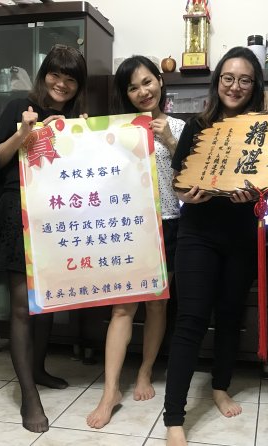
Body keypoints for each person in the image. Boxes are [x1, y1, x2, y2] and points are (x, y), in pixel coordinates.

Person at [0, 44, 88, 433]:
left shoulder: (74, 119)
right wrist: (24, 133)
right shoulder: (19, 108)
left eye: (70, 78)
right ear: (44, 75)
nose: (62, 83)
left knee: (47, 301)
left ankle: (38, 369)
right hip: (17, 213)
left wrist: (85, 137)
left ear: (78, 85)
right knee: (23, 306)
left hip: (55, 216)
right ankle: (28, 396)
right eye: (56, 74)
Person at [163, 46, 265, 446]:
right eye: (228, 78)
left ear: (254, 86)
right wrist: (186, 195)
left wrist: (255, 195)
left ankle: (220, 387)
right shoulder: (197, 126)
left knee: (229, 315)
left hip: (241, 233)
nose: (235, 86)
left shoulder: (263, 130)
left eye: (244, 80)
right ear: (217, 81)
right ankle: (174, 417)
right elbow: (178, 182)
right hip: (198, 233)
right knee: (190, 320)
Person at [86, 55, 185, 429]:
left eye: (147, 82)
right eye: (133, 87)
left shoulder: (179, 126)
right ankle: (110, 391)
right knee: (122, 308)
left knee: (158, 305)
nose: (143, 91)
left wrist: (170, 140)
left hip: (169, 224)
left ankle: (144, 372)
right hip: (128, 226)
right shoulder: (116, 129)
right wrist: (82, 135)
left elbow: (190, 176)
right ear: (125, 94)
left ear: (160, 81)